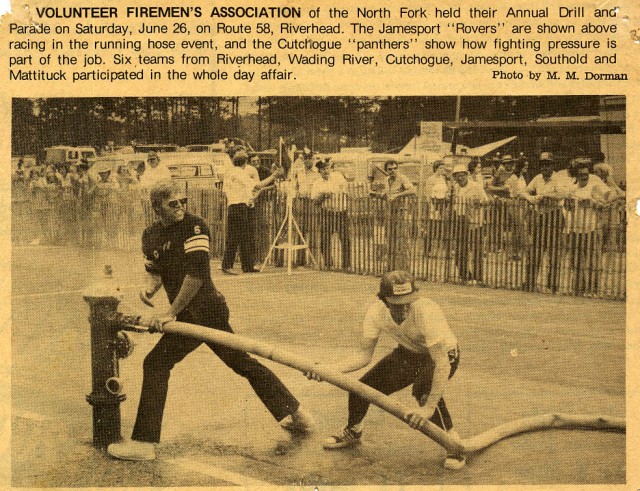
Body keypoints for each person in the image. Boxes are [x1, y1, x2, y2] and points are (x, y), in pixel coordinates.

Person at [107, 180, 314, 461]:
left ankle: (144, 444)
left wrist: (169, 313)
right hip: (187, 313)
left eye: (183, 201)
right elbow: (155, 270)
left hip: (207, 310)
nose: (180, 206)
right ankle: (297, 414)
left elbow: (196, 276)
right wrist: (149, 288)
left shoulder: (195, 226)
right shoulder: (150, 235)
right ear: (157, 208)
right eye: (173, 203)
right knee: (242, 363)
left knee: (156, 363)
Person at [308, 270, 465, 470]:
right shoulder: (375, 313)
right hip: (408, 354)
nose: (404, 308)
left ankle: (453, 443)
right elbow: (363, 356)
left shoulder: (427, 311)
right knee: (361, 388)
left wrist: (428, 408)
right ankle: (353, 430)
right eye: (397, 304)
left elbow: (441, 363)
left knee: (424, 390)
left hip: (444, 354)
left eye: (409, 301)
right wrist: (328, 370)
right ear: (384, 301)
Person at [221, 150, 281, 274]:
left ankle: (245, 265)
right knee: (238, 237)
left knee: (243, 237)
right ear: (245, 162)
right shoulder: (239, 172)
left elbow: (226, 191)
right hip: (240, 207)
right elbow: (258, 186)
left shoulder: (229, 173)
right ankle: (229, 265)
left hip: (234, 206)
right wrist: (274, 176)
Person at [523, 153, 565, 293]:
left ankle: (552, 285)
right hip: (541, 217)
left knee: (553, 252)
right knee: (536, 250)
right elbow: (524, 191)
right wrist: (530, 198)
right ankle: (530, 282)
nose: (545, 167)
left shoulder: (558, 178)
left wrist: (545, 196)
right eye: (542, 165)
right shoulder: (537, 178)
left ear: (552, 165)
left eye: (547, 164)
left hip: (554, 216)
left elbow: (561, 195)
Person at [451, 163, 489, 285]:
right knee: (460, 250)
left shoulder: (476, 186)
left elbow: (486, 200)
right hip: (460, 220)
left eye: (462, 175)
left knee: (476, 250)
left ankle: (478, 278)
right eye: (457, 176)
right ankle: (465, 275)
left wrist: (480, 203)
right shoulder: (455, 187)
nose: (460, 178)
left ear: (467, 175)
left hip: (475, 221)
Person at [310, 157, 351, 270]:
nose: (326, 171)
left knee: (345, 239)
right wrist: (323, 196)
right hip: (327, 213)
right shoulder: (317, 183)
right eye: (323, 169)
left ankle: (346, 265)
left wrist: (339, 193)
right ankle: (328, 263)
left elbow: (346, 191)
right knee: (325, 239)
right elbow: (314, 201)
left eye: (327, 168)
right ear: (319, 171)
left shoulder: (338, 176)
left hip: (341, 212)